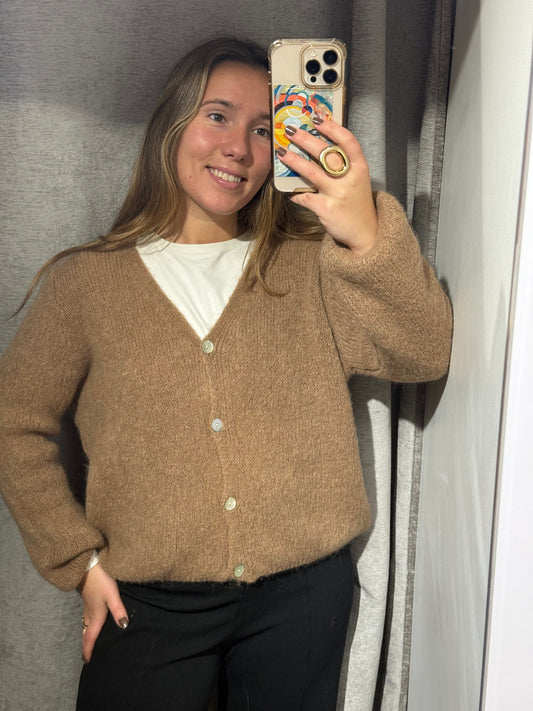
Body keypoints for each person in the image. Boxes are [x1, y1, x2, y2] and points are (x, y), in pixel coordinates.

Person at [0, 37, 452, 711]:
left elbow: (420, 352)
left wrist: (364, 234)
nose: (238, 147)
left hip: (303, 599)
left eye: (264, 128)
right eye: (217, 116)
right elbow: (13, 421)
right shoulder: (86, 283)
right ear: (173, 124)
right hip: (148, 602)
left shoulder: (310, 263)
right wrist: (79, 562)